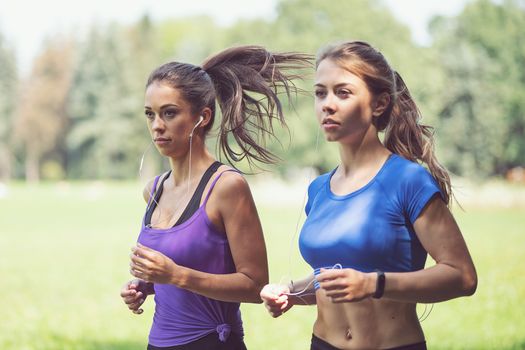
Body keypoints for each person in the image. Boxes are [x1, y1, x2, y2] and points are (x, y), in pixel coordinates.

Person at [260, 41, 478, 350]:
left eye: (343, 92)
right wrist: (291, 292)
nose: (327, 104)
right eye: (320, 93)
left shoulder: (408, 180)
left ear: (379, 104)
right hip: (322, 343)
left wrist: (373, 283)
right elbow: (331, 278)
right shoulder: (318, 189)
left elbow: (463, 276)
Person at [120, 46, 311, 350]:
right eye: (150, 114)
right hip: (158, 343)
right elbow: (177, 269)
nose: (157, 125)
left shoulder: (226, 187)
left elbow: (254, 284)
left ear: (202, 117)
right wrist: (145, 285)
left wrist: (177, 275)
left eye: (169, 113)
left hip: (211, 342)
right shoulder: (153, 190)